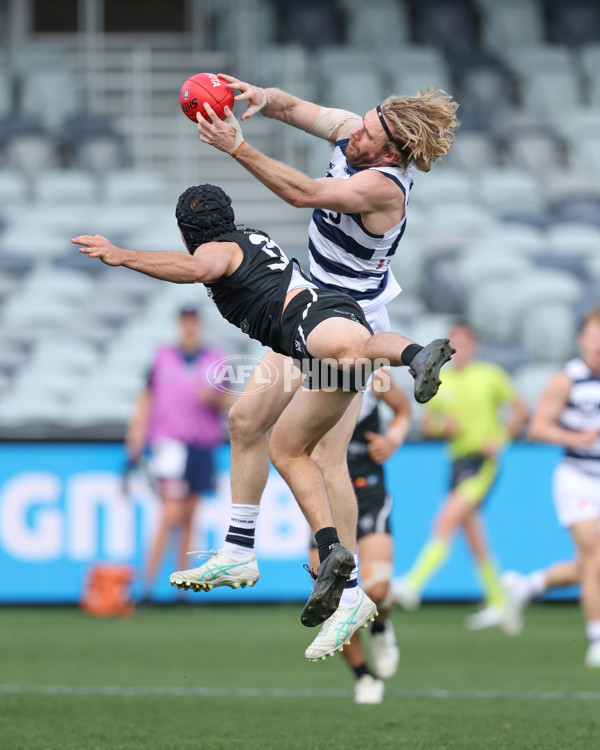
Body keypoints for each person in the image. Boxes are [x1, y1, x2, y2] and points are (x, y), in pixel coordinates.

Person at [72, 183, 454, 660]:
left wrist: (123, 255)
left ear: (188, 231)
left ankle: (416, 354)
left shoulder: (217, 249)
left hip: (314, 321)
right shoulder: (246, 238)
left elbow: (195, 268)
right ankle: (289, 557)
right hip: (301, 341)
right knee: (256, 429)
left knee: (348, 355)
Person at [169, 77, 460, 654]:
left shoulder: (384, 189)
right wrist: (263, 98)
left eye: (371, 133)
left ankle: (350, 592)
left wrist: (237, 147)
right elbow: (302, 109)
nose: (357, 133)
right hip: (304, 305)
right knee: (247, 422)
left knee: (316, 451)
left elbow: (302, 193)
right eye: (364, 122)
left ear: (391, 154)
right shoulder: (360, 133)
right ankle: (237, 550)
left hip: (342, 322)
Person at [393, 323, 528, 633]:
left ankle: (414, 583)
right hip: (456, 461)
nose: (461, 350)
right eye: (456, 345)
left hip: (482, 461)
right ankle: (500, 603)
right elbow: (430, 424)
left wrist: (503, 437)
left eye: (466, 343)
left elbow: (520, 409)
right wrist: (443, 428)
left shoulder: (490, 376)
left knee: (445, 522)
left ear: (475, 346)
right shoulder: (444, 380)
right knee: (474, 537)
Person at [308, 369, 410, 703]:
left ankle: (381, 624)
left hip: (367, 491)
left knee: (378, 589)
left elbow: (403, 409)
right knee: (331, 599)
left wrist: (392, 438)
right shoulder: (303, 373)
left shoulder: (372, 375)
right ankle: (364, 676)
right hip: (324, 503)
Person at [125, 305, 232, 602]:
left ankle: (180, 588)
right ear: (179, 324)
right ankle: (147, 585)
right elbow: (146, 398)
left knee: (189, 516)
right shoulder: (162, 357)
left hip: (201, 443)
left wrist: (215, 397)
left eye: (193, 321)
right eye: (185, 321)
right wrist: (135, 434)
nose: (189, 327)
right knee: (169, 513)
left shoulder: (215, 360)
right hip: (169, 444)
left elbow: (231, 401)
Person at [520, 307, 600, 667]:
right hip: (578, 478)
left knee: (587, 564)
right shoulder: (566, 379)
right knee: (596, 559)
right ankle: (596, 638)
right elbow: (538, 428)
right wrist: (575, 437)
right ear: (582, 340)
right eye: (594, 337)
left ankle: (529, 586)